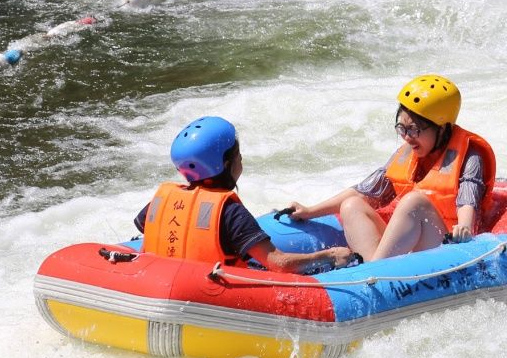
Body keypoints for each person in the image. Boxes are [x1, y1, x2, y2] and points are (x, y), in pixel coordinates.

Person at [285, 74, 496, 261]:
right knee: (352, 205)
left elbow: (468, 198)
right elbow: (365, 192)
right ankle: (374, 275)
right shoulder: (408, 152)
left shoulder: (469, 156)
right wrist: (309, 211)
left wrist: (465, 227)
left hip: (448, 246)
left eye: (414, 129)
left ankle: (375, 273)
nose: (406, 136)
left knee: (414, 201)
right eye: (401, 127)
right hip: (407, 250)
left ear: (441, 129)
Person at [136, 116, 353, 273]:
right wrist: (329, 255)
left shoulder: (159, 202)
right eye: (238, 155)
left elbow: (148, 239)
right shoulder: (230, 213)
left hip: (159, 280)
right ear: (227, 164)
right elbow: (279, 263)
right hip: (211, 294)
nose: (242, 160)